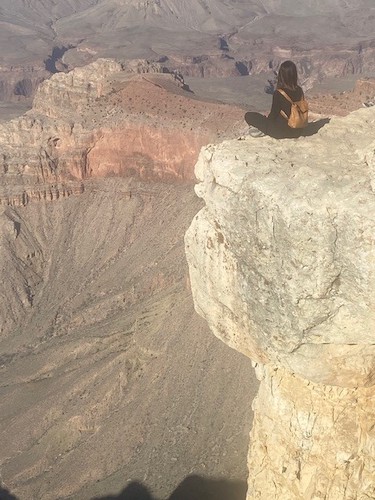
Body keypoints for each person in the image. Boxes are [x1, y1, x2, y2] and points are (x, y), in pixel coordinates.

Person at [245, 60, 306, 139]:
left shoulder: (279, 93)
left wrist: (266, 121)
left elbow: (273, 115)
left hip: (282, 131)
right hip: (298, 130)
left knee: (249, 115)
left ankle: (261, 131)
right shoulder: (300, 90)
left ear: (281, 75)